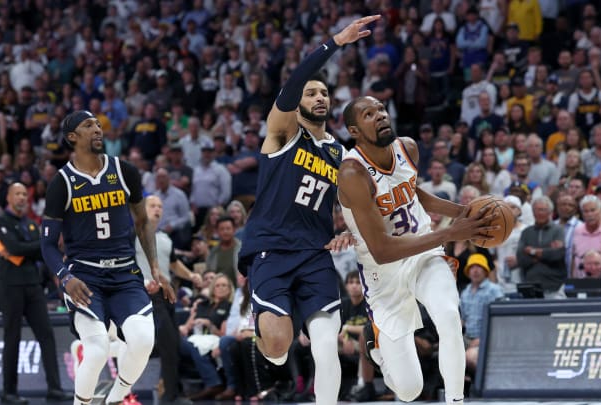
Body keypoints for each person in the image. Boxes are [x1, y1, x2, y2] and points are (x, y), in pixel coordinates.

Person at [238, 16, 380, 405]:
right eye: (311, 92)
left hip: (316, 254)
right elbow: (295, 79)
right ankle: (266, 331)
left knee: (325, 343)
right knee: (280, 348)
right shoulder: (282, 132)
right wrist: (337, 42)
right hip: (271, 249)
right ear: (298, 100)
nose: (319, 97)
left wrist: (350, 227)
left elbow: (356, 202)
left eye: (324, 93)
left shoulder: (339, 152)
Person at [338, 95, 497, 403]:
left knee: (449, 316)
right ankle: (376, 348)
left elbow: (413, 191)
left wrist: (464, 213)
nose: (380, 116)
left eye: (381, 110)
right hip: (382, 272)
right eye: (369, 114)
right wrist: (451, 232)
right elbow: (383, 250)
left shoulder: (407, 148)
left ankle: (455, 400)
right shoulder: (352, 174)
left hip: (423, 252)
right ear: (355, 131)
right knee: (409, 390)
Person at [40, 110, 175, 405]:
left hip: (125, 273)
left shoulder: (124, 171)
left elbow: (142, 222)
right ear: (72, 137)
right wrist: (66, 276)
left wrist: (154, 267)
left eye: (99, 125)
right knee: (98, 349)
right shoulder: (61, 183)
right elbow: (47, 245)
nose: (98, 129)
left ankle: (115, 399)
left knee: (142, 341)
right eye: (88, 125)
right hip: (85, 277)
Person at [0, 183, 71, 404]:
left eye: (24, 194)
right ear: (8, 197)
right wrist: (38, 246)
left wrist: (33, 247)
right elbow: (15, 248)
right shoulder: (0, 221)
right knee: (12, 338)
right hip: (10, 286)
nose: (21, 197)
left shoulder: (30, 225)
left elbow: (42, 253)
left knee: (46, 335)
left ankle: (54, 388)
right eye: (17, 194)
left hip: (33, 285)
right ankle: (9, 392)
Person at [136, 195, 202, 405]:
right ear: (142, 209)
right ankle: (169, 396)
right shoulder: (132, 235)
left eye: (160, 206)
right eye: (153, 206)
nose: (157, 209)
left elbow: (173, 265)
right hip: (145, 295)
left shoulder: (165, 238)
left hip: (167, 295)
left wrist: (191, 275)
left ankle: (174, 391)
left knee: (173, 345)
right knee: (165, 344)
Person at [516, 196, 567, 298]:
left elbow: (557, 255)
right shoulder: (526, 232)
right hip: (530, 286)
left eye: (543, 210)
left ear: (550, 212)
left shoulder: (558, 230)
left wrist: (533, 252)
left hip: (554, 286)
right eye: (536, 210)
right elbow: (521, 258)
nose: (539, 213)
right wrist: (545, 252)